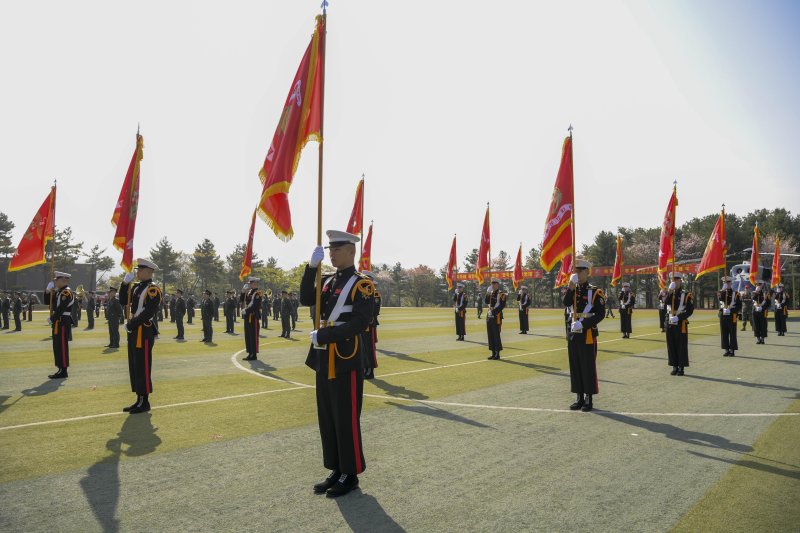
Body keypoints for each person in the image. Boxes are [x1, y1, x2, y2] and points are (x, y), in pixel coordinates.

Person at [300, 230, 374, 498]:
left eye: (337, 249)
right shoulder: (329, 281)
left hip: (345, 357)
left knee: (346, 417)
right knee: (328, 416)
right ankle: (336, 468)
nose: (332, 254)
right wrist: (310, 269)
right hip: (323, 356)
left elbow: (360, 323)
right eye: (330, 250)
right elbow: (307, 299)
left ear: (352, 251)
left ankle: (350, 473)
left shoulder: (361, 284)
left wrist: (326, 334)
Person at [119, 259, 163, 414]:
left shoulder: (153, 290)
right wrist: (125, 284)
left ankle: (145, 401)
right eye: (137, 270)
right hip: (134, 330)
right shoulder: (137, 287)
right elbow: (123, 301)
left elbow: (148, 312)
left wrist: (131, 324)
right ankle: (138, 399)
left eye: (140, 270)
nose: (137, 272)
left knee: (143, 365)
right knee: (135, 365)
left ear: (150, 271)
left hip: (143, 331)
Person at [563, 259, 606, 411]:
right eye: (576, 270)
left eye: (581, 270)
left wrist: (584, 323)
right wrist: (570, 286)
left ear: (587, 272)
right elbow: (565, 302)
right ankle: (579, 397)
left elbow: (600, 314)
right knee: (575, 367)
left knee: (587, 367)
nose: (578, 273)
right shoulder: (572, 289)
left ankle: (589, 399)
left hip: (587, 334)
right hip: (573, 334)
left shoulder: (595, 292)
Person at [46, 272, 75, 378]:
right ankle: (60, 368)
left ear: (63, 280)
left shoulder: (66, 293)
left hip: (62, 321)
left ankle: (64, 370)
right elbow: (48, 302)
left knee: (62, 346)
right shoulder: (59, 292)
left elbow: (61, 308)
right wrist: (48, 291)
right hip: (58, 321)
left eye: (56, 280)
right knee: (57, 346)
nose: (55, 281)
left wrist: (52, 319)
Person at [665, 272, 694, 376]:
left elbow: (690, 310)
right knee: (671, 345)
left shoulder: (686, 294)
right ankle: (674, 366)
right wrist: (670, 291)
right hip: (669, 321)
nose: (674, 281)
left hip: (680, 322)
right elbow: (666, 302)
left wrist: (679, 317)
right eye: (672, 279)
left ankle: (681, 367)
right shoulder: (669, 292)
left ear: (680, 280)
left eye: (676, 279)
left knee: (681, 345)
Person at [361, 271, 380, 379]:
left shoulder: (375, 293)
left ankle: (370, 369)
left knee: (369, 348)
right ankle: (364, 367)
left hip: (369, 324)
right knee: (362, 348)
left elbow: (375, 310)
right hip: (360, 325)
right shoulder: (361, 292)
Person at [717, 276, 741, 356]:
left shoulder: (736, 293)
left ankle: (732, 350)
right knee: (724, 333)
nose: (726, 284)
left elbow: (739, 306)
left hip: (732, 315)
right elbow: (721, 299)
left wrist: (731, 310)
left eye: (727, 282)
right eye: (724, 282)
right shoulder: (721, 292)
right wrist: (723, 290)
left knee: (732, 333)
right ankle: (726, 349)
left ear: (731, 283)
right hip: (723, 315)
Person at [485, 279, 506, 360]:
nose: (493, 285)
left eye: (494, 284)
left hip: (496, 316)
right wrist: (487, 293)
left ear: (498, 284)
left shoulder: (501, 294)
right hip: (489, 316)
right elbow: (486, 301)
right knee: (490, 335)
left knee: (496, 335)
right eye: (492, 284)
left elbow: (502, 305)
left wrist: (493, 312)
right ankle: (493, 353)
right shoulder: (490, 293)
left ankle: (497, 354)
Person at [242, 278, 263, 360]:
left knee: (253, 335)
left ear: (255, 283)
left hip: (253, 317)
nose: (249, 284)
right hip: (247, 316)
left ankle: (254, 354)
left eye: (251, 283)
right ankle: (250, 352)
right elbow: (242, 300)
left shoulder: (258, 293)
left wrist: (246, 310)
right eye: (249, 283)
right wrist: (243, 292)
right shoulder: (249, 292)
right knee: (248, 335)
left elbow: (255, 306)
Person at [752, 280, 771, 344]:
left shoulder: (766, 293)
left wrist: (762, 307)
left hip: (763, 311)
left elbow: (769, 303)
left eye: (760, 284)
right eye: (757, 284)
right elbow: (753, 299)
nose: (758, 285)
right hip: (755, 311)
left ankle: (762, 338)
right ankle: (758, 338)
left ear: (763, 285)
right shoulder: (754, 292)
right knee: (756, 325)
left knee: (763, 325)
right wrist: (756, 292)